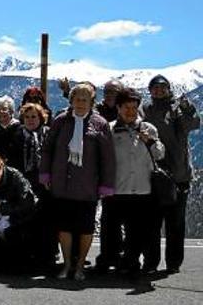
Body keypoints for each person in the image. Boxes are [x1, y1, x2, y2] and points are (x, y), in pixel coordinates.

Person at [40, 83, 116, 281]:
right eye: (77, 99)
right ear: (71, 100)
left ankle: (80, 266)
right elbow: (47, 149)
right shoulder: (60, 121)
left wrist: (106, 185)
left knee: (85, 228)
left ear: (92, 102)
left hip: (87, 186)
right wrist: (46, 174)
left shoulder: (100, 124)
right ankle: (67, 265)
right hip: (62, 183)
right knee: (64, 227)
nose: (81, 103)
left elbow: (107, 158)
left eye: (85, 99)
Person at [96, 89, 164, 276]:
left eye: (134, 107)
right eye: (127, 107)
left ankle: (132, 261)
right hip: (116, 188)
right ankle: (109, 259)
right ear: (118, 107)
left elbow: (159, 154)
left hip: (142, 188)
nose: (131, 111)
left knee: (137, 230)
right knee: (110, 228)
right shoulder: (108, 129)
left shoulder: (148, 128)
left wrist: (150, 142)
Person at [142, 74, 199, 274]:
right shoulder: (145, 109)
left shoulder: (176, 108)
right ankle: (150, 262)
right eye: (154, 88)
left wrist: (188, 109)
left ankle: (173, 263)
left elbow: (193, 124)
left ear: (168, 89)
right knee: (152, 223)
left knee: (175, 223)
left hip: (178, 174)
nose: (158, 91)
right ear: (150, 91)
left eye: (162, 87)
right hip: (152, 173)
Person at [0, 151, 37, 271]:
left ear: (1, 165)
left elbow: (29, 202)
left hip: (19, 221)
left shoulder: (15, 177)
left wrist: (4, 208)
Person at [13, 102, 55, 267]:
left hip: (45, 183)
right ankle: (28, 256)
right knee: (27, 219)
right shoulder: (17, 135)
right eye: (27, 117)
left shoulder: (49, 134)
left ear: (41, 117)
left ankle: (47, 256)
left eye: (34, 116)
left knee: (46, 221)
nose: (30, 120)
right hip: (24, 181)